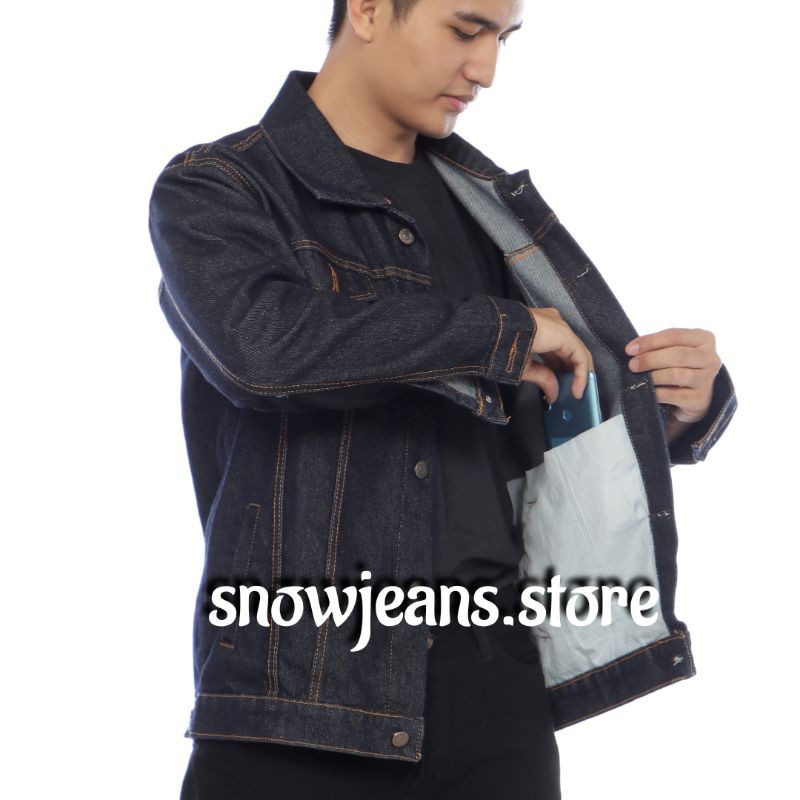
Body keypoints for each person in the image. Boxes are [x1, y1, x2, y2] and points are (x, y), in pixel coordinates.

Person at [148, 1, 737, 798]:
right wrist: (498, 334)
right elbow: (264, 350)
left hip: (497, 692)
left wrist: (674, 408)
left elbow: (538, 419)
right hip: (301, 695)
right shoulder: (221, 187)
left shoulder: (488, 207)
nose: (486, 69)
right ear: (366, 9)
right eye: (465, 29)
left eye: (503, 38)